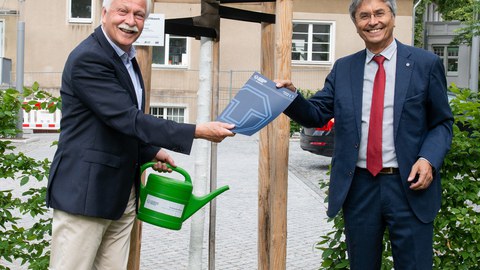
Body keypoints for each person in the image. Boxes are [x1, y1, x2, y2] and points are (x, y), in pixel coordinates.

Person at [46, 0, 235, 269]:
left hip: (121, 193)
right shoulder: (90, 57)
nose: (131, 21)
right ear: (104, 14)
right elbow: (127, 118)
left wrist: (150, 150)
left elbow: (114, 124)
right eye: (122, 11)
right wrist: (197, 130)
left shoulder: (125, 57)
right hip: (85, 194)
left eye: (139, 15)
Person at [276, 0, 453, 269]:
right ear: (356, 24)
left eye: (380, 13)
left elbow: (441, 123)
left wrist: (428, 159)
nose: (373, 21)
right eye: (364, 16)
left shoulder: (424, 64)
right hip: (359, 188)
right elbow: (315, 114)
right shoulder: (344, 68)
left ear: (393, 18)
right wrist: (291, 98)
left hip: (408, 186)